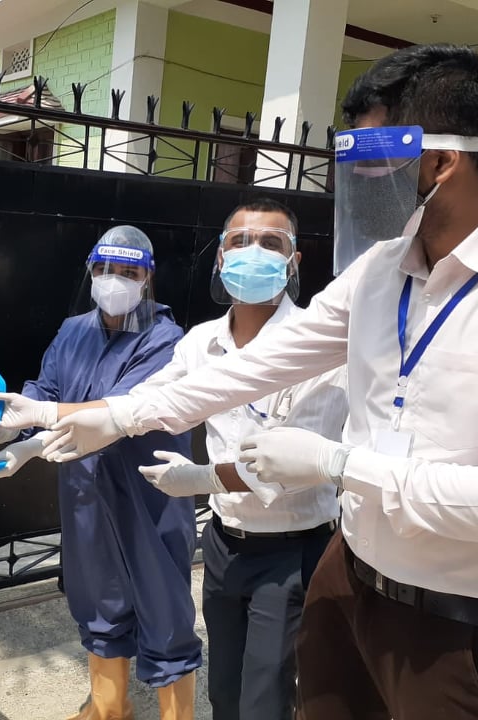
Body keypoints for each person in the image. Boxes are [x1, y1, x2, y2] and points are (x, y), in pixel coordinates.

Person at [7, 44, 478, 719]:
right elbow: (255, 366)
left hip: (469, 622)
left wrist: (337, 464)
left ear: (441, 162)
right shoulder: (379, 272)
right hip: (352, 583)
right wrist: (117, 415)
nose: (358, 184)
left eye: (373, 164)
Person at [133, 198, 347, 720]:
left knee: (265, 702)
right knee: (225, 693)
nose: (254, 252)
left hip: (293, 552)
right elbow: (145, 401)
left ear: (293, 261)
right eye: (240, 241)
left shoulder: (319, 347)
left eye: (271, 243)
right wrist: (46, 419)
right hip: (225, 546)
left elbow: (290, 470)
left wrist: (201, 479)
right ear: (220, 256)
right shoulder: (201, 343)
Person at [0, 226, 202, 720]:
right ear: (90, 270)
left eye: (127, 271)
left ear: (147, 279)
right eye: (105, 269)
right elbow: (45, 390)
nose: (114, 279)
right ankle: (109, 708)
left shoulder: (165, 340)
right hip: (84, 491)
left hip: (149, 495)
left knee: (163, 607)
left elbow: (121, 411)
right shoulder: (73, 331)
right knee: (98, 598)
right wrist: (5, 427)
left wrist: (35, 435)